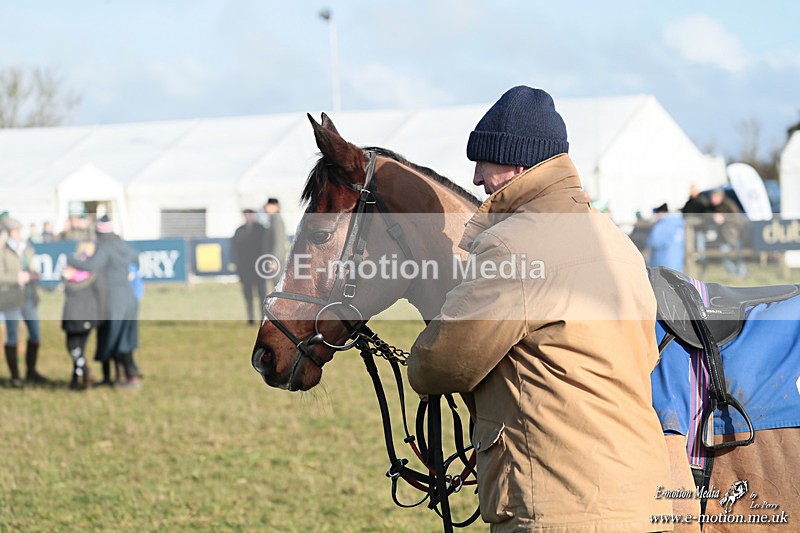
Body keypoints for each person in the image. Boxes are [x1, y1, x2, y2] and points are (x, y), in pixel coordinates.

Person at [407, 86, 674, 530]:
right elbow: (644, 356)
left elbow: (442, 364)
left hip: (562, 508)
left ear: (518, 164)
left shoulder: (511, 246)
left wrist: (419, 354)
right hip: (647, 500)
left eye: (484, 161)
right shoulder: (616, 240)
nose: (475, 178)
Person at [67, 215, 142, 389]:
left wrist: (71, 260)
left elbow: (92, 266)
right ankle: (122, 375)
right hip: (129, 298)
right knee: (125, 337)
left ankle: (131, 377)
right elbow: (136, 258)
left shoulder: (105, 247)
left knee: (115, 338)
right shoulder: (122, 245)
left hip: (114, 301)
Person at [1, 217, 47, 386]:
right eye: (16, 231)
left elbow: (32, 267)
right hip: (11, 299)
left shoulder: (27, 249)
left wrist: (34, 275)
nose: (19, 234)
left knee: (35, 335)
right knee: (12, 336)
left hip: (29, 298)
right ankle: (15, 376)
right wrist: (18, 277)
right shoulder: (2, 251)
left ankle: (31, 371)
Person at [61, 240, 105, 390]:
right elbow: (100, 294)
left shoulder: (74, 270)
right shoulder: (92, 271)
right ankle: (78, 378)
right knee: (78, 348)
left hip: (77, 314)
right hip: (82, 314)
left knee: (74, 348)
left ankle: (84, 372)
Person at [231, 209, 268, 325]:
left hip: (259, 268)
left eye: (250, 214)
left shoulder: (261, 229)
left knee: (262, 295)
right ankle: (250, 319)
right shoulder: (239, 231)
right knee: (248, 296)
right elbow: (234, 249)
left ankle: (263, 318)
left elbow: (266, 247)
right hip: (245, 269)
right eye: (246, 214)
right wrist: (237, 265)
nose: (248, 216)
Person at [706, 188, 747, 277]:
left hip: (734, 235)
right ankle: (731, 274)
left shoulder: (729, 205)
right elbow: (706, 215)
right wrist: (713, 217)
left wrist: (724, 218)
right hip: (722, 237)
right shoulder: (711, 206)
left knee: (738, 256)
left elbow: (737, 218)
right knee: (724, 255)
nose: (712, 199)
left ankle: (741, 274)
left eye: (714, 197)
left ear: (720, 197)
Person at [645, 202, 686, 272]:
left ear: (661, 212)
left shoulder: (662, 225)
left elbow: (654, 242)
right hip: (677, 261)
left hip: (663, 261)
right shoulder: (679, 222)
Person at [261, 198, 289, 293]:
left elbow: (279, 242)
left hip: (277, 261)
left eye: (269, 205)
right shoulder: (272, 219)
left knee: (278, 287)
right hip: (274, 260)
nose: (266, 208)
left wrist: (274, 260)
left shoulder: (276, 219)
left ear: (276, 207)